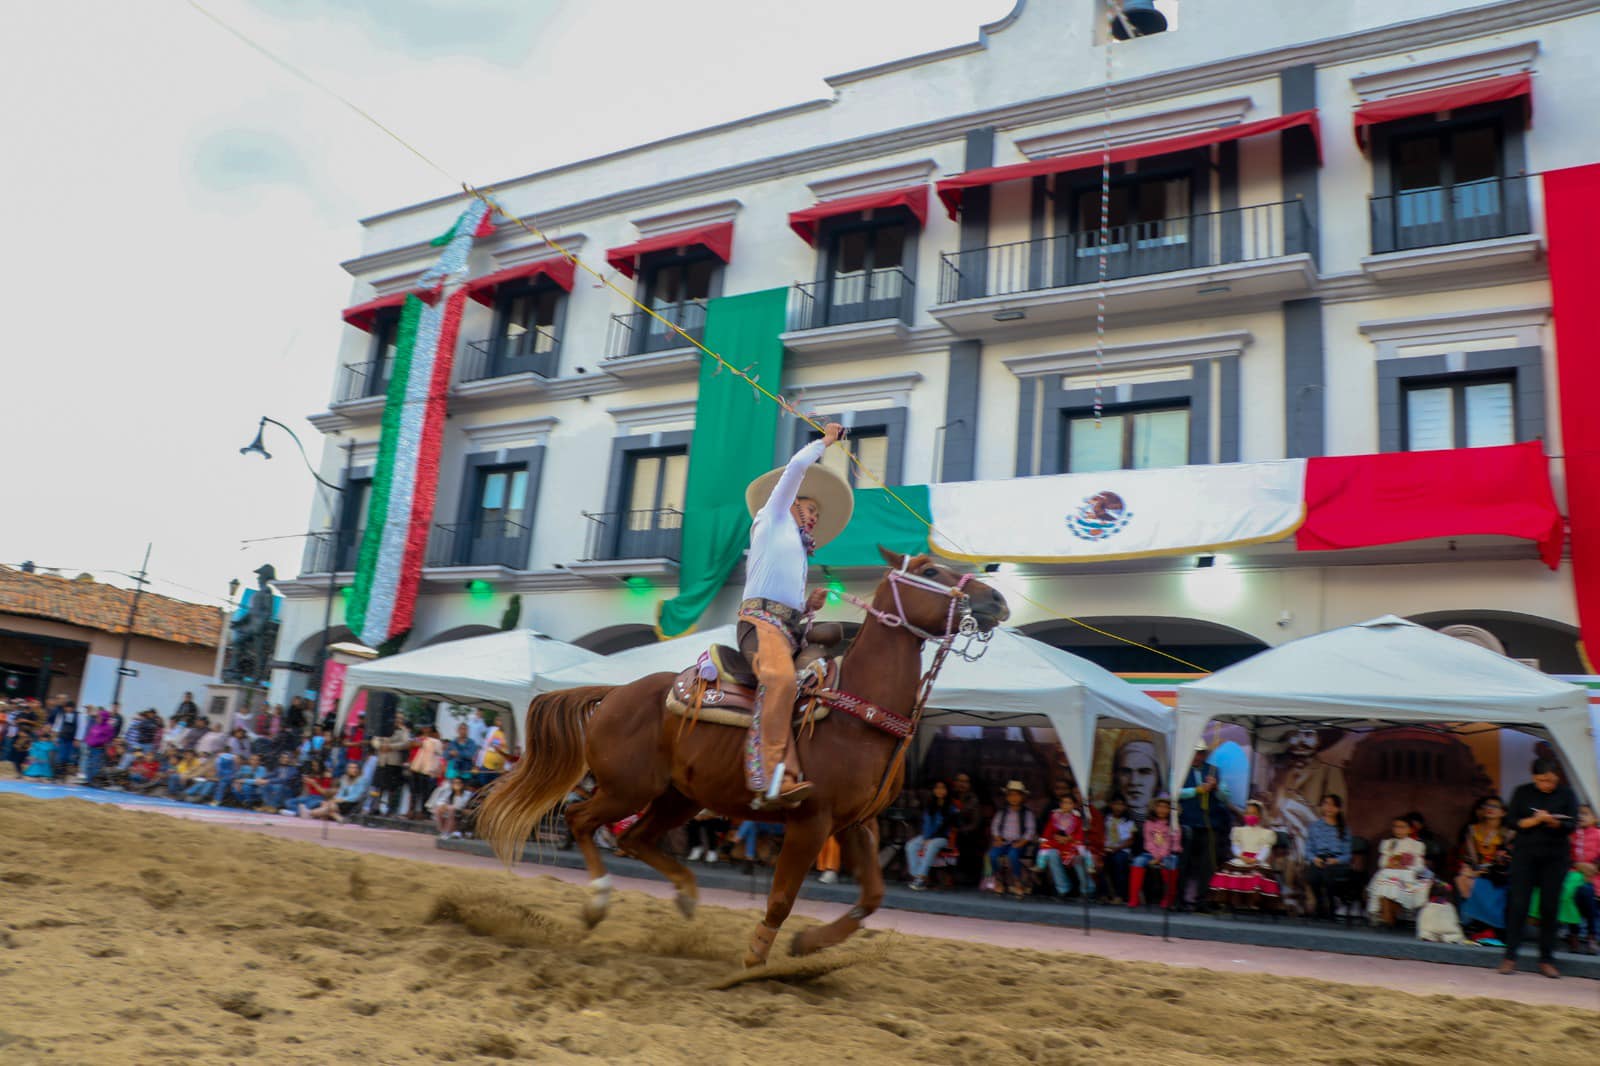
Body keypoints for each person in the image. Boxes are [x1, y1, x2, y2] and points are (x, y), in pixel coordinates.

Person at [733, 422, 851, 811]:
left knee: (820, 681)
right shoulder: (773, 517)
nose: (814, 516)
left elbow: (791, 606)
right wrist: (826, 442)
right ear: (793, 502)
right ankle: (771, 775)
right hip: (760, 625)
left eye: (817, 512)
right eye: (811, 508)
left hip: (788, 628)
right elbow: (796, 468)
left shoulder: (799, 550)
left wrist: (810, 606)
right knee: (781, 679)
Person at [1499, 759, 1579, 977]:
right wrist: (1534, 821)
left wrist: (1553, 822)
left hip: (1555, 857)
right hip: (1525, 856)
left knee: (1549, 907)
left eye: (1551, 781)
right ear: (1534, 777)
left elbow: (1572, 824)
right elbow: (1511, 822)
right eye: (1542, 780)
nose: (1547, 785)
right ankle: (1510, 956)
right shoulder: (1522, 792)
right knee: (1517, 905)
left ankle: (1546, 959)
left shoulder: (1567, 794)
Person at [1177, 742, 1232, 910]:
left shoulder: (1214, 771)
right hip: (1187, 823)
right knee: (1183, 864)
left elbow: (1225, 797)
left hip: (1209, 825)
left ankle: (1202, 901)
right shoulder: (1180, 769)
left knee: (1207, 865)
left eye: (1200, 753)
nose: (1197, 756)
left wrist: (1215, 788)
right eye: (1194, 753)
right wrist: (1197, 790)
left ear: (1205, 754)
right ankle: (1179, 900)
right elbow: (1175, 792)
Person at [1455, 795, 1512, 945]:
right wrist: (1471, 869)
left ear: (1503, 812)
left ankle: (1488, 928)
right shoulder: (1473, 830)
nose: (1490, 809)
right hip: (1475, 869)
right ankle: (1470, 925)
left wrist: (1482, 871)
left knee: (1480, 883)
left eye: (1494, 807)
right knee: (1462, 878)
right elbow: (1469, 856)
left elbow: (1506, 859)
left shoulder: (1509, 834)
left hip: (1497, 874)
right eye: (1487, 806)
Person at [1208, 799, 1283, 910]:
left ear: (1259, 815)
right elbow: (1235, 846)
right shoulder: (1238, 831)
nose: (1250, 816)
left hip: (1257, 861)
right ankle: (1233, 901)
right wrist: (1241, 856)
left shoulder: (1265, 833)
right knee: (1229, 871)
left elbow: (1265, 848)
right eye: (1247, 813)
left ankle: (1254, 902)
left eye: (1253, 813)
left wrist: (1257, 859)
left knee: (1256, 875)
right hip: (1241, 858)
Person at [1367, 814, 1432, 926]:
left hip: (1406, 874)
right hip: (1390, 872)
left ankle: (1387, 917)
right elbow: (1382, 863)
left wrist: (1406, 867)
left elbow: (1420, 866)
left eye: (1402, 827)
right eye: (1396, 826)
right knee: (1385, 878)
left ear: (1410, 829)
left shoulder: (1417, 845)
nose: (1398, 830)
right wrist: (1391, 863)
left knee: (1392, 882)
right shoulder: (1389, 843)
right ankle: (1387, 917)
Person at [1301, 793, 1355, 921]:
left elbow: (1348, 854)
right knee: (1311, 875)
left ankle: (1331, 906)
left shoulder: (1344, 829)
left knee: (1328, 874)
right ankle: (1320, 905)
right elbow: (1308, 850)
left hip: (1337, 862)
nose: (1329, 808)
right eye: (1326, 804)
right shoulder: (1315, 826)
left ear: (1338, 809)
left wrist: (1336, 860)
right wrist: (1314, 859)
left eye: (1332, 805)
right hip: (1319, 859)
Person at [1129, 793, 1181, 909]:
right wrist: (1156, 856)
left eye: (1165, 807)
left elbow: (1170, 843)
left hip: (1168, 854)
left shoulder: (1173, 824)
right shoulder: (1149, 823)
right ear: (1154, 807)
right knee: (1138, 861)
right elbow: (1148, 842)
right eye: (1159, 806)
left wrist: (1160, 857)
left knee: (1171, 863)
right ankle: (1134, 897)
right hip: (1151, 853)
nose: (1162, 809)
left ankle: (1168, 898)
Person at [905, 780, 958, 891]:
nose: (940, 791)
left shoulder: (951, 807)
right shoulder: (930, 804)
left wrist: (930, 839)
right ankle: (916, 876)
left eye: (943, 788)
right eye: (937, 788)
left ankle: (921, 879)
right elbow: (926, 823)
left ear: (947, 790)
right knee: (911, 845)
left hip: (943, 837)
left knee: (932, 845)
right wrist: (926, 838)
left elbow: (945, 826)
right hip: (928, 836)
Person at [988, 781, 1038, 896]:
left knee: (1013, 855)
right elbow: (995, 826)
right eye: (1010, 795)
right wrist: (997, 837)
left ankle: (1017, 881)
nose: (1013, 798)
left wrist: (1022, 842)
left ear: (1022, 797)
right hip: (1003, 842)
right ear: (1007, 797)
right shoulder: (1002, 812)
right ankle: (999, 880)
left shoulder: (1027, 813)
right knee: (992, 855)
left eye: (1017, 795)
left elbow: (1030, 830)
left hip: (1019, 843)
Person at [1033, 789, 1084, 900]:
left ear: (1074, 805)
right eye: (1064, 802)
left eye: (1069, 803)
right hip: (1057, 844)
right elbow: (1048, 832)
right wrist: (1054, 838)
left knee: (1078, 858)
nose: (1066, 805)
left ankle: (1086, 889)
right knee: (1051, 854)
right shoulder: (1055, 816)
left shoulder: (1078, 817)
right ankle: (1063, 888)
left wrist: (1069, 838)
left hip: (1072, 845)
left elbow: (1080, 834)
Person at [1568, 803, 1599, 955]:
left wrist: (1592, 867)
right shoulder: (1572, 834)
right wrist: (1577, 865)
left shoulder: (1598, 834)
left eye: (1585, 814)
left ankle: (1591, 935)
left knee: (1586, 892)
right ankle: (1574, 933)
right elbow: (1566, 856)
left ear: (1594, 818)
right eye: (1578, 813)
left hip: (1593, 876)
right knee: (1568, 893)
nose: (1580, 816)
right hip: (1573, 874)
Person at [1111, 738, 1162, 822]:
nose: (1134, 781)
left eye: (1144, 772)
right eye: (1126, 772)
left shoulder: (1167, 821)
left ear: (1158, 778)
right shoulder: (1107, 818)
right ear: (1116, 777)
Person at [1100, 793, 1138, 903]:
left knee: (1119, 861)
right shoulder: (1106, 819)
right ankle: (1104, 894)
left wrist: (1117, 848)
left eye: (1121, 804)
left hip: (1122, 849)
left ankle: (1120, 895)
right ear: (1111, 805)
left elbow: (1131, 840)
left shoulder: (1129, 821)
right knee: (1101, 862)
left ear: (1125, 806)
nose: (1118, 807)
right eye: (1115, 804)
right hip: (1107, 848)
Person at [951, 772, 987, 885]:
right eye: (959, 780)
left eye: (965, 781)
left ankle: (966, 878)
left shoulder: (973, 799)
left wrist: (960, 830)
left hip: (967, 834)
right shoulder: (950, 796)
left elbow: (975, 823)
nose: (961, 784)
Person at [406, 726, 444, 818]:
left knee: (425, 791)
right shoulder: (419, 739)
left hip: (427, 769)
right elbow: (411, 745)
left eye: (427, 728)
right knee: (414, 790)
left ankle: (422, 812)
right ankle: (412, 810)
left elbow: (438, 752)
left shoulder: (435, 741)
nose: (425, 730)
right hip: (417, 766)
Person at [49, 701, 82, 781]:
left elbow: (80, 728)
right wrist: (55, 737)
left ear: (73, 708)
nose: (68, 709)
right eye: (66, 707)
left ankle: (63, 775)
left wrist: (77, 739)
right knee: (60, 756)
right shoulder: (61, 714)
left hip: (71, 739)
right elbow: (57, 726)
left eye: (69, 707)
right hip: (62, 738)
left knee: (68, 757)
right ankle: (57, 774)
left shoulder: (78, 715)